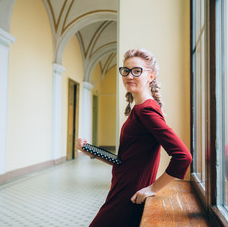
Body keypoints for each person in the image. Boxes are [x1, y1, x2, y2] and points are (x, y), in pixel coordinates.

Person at [77, 48, 192, 227]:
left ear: (151, 76)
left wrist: (153, 188)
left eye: (137, 71)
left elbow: (183, 156)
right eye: (126, 71)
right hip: (122, 187)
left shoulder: (145, 110)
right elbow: (126, 160)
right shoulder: (140, 109)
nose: (129, 76)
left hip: (129, 193)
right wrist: (91, 151)